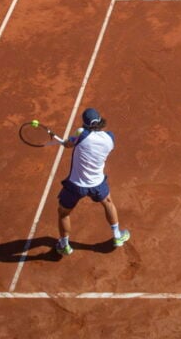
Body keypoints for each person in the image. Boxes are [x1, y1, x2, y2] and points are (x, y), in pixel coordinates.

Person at [54, 108, 130, 258]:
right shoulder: (110, 138)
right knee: (108, 203)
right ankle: (117, 235)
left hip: (76, 185)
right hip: (98, 183)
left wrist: (65, 143)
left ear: (85, 124)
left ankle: (64, 245)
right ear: (100, 121)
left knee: (63, 213)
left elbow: (69, 144)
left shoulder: (81, 134)